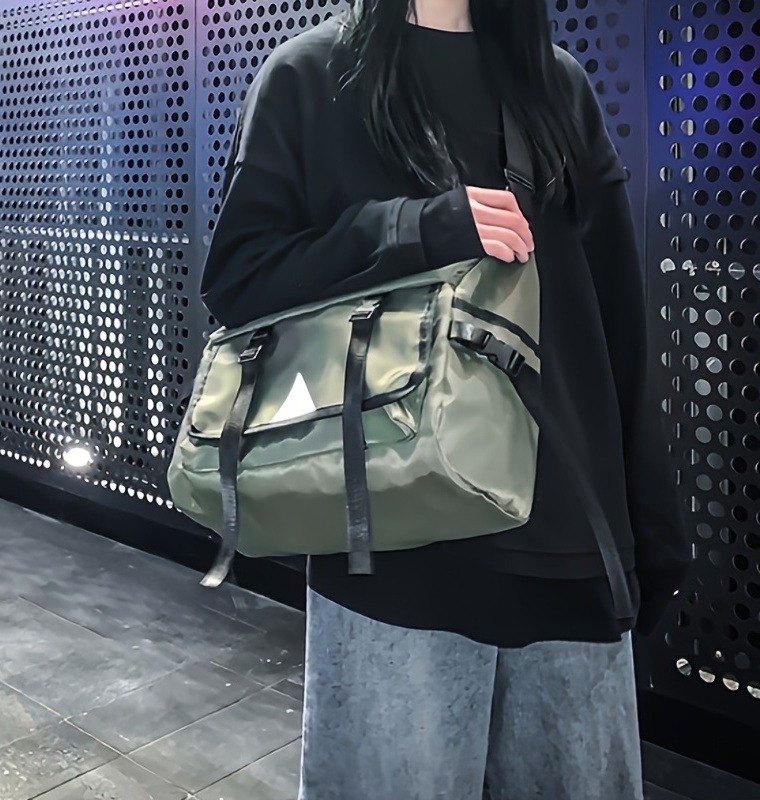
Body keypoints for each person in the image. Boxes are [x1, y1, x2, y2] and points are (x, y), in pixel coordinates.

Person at [200, 1, 692, 798]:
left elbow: (616, 329)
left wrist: (652, 526)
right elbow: (239, 278)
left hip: (570, 543)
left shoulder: (554, 84)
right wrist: (416, 228)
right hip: (394, 544)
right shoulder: (312, 75)